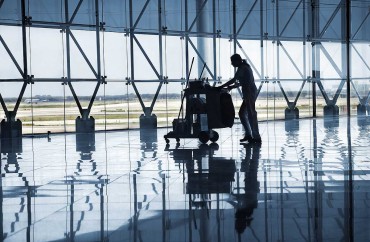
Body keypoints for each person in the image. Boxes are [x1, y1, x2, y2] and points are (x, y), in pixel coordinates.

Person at [217, 54, 261, 143]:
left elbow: (234, 80)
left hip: (249, 92)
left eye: (232, 62)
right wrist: (231, 87)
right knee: (242, 113)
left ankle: (256, 137)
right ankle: (249, 134)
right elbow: (241, 82)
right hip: (249, 92)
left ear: (237, 61)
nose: (232, 64)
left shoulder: (243, 68)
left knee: (251, 114)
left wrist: (221, 86)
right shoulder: (244, 67)